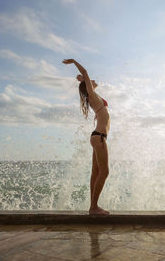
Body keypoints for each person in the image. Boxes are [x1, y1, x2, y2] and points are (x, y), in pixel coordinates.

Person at [62, 59, 110, 215]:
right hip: (99, 137)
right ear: (88, 86)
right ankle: (94, 207)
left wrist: (84, 81)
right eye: (91, 82)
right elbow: (85, 72)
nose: (93, 81)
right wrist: (74, 62)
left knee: (96, 173)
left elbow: (88, 80)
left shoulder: (93, 96)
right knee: (104, 172)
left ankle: (93, 207)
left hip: (97, 137)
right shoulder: (92, 95)